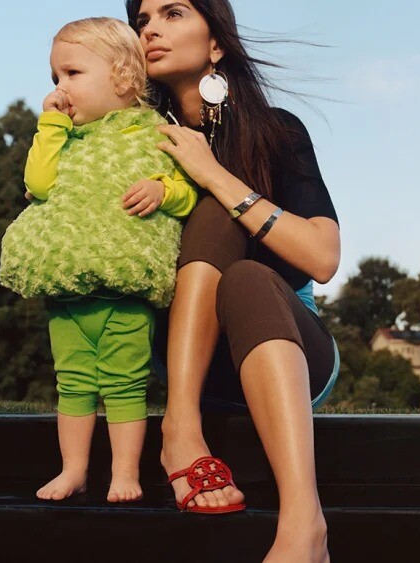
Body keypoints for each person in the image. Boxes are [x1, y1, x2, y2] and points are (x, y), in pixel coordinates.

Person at [126, 1, 340, 560]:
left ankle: (304, 528)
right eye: (142, 20)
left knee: (243, 268)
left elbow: (322, 258)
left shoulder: (277, 131)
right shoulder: (129, 140)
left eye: (173, 13)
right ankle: (182, 423)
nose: (151, 29)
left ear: (217, 43)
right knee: (214, 218)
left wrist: (214, 176)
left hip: (285, 346)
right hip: (183, 357)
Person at [0, 17, 198, 504]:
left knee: (126, 384)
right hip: (67, 288)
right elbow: (39, 183)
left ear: (123, 77)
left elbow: (190, 192)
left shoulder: (157, 134)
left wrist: (163, 190)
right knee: (72, 383)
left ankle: (124, 473)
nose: (59, 88)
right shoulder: (63, 137)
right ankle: (74, 470)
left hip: (124, 288)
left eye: (72, 73)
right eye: (55, 77)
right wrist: (50, 126)